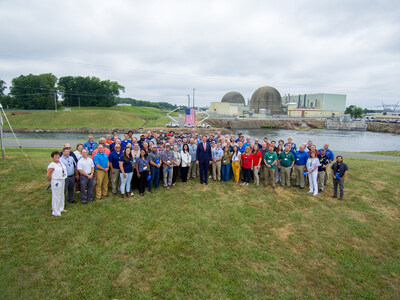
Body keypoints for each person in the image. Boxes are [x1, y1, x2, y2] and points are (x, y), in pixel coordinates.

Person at [46, 151, 68, 216]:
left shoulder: (60, 163)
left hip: (62, 180)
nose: (57, 157)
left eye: (58, 155)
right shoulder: (52, 165)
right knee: (56, 196)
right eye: (55, 156)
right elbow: (48, 175)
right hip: (56, 181)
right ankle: (55, 211)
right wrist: (51, 181)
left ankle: (61, 208)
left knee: (61, 194)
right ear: (52, 157)